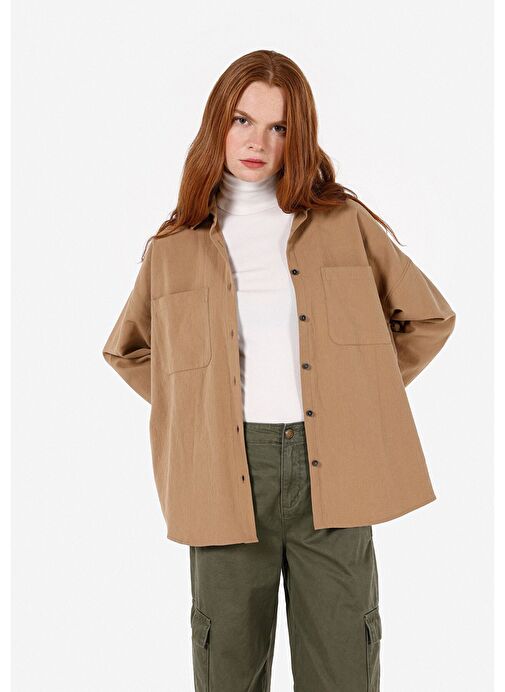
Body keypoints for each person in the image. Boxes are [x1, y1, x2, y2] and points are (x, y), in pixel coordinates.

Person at [102, 49, 456, 692]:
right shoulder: (175, 247)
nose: (257, 142)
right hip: (224, 477)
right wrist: (201, 409)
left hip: (334, 470)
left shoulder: (344, 223)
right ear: (218, 123)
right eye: (242, 120)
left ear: (300, 136)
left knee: (344, 669)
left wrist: (354, 394)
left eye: (279, 127)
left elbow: (427, 318)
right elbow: (129, 350)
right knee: (228, 672)